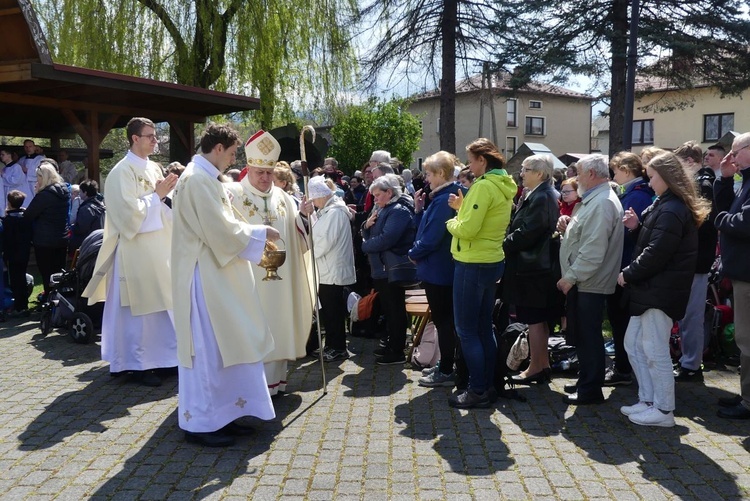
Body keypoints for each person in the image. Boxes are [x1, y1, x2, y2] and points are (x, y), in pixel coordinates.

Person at [172, 122, 278, 447]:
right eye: (232, 153)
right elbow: (219, 230)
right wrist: (261, 234)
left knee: (223, 347)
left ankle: (224, 415)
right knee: (207, 350)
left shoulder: (207, 179)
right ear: (218, 148)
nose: (233, 160)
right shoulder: (196, 180)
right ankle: (202, 423)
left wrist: (255, 232)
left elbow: (227, 222)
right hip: (202, 277)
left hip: (215, 273)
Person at [83, 117, 179, 387]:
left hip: (159, 249)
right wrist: (157, 196)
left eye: (155, 136)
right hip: (134, 252)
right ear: (134, 138)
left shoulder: (154, 168)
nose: (155, 140)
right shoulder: (120, 173)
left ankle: (164, 359)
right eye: (150, 136)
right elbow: (127, 216)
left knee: (162, 309)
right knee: (141, 313)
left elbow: (166, 204)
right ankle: (136, 365)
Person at [619, 151, 708, 427]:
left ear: (666, 178)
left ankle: (664, 409)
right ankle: (648, 400)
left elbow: (658, 252)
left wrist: (628, 275)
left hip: (660, 290)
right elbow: (654, 240)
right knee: (633, 344)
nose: (650, 181)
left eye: (653, 176)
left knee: (654, 350)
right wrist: (636, 228)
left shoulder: (672, 208)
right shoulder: (665, 204)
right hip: (652, 289)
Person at [228, 130, 314, 396]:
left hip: (280, 280)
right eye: (258, 172)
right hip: (247, 281)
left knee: (278, 328)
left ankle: (274, 386)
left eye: (268, 173)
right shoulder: (232, 194)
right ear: (248, 168)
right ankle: (250, 391)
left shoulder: (284, 198)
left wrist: (303, 216)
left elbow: (298, 236)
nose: (265, 179)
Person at [445, 138, 516, 409]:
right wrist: (463, 211)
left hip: (472, 262)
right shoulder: (503, 185)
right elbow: (482, 222)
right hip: (491, 260)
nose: (469, 166)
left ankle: (477, 390)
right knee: (484, 327)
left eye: (471, 160)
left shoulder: (483, 186)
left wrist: (452, 220)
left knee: (467, 330)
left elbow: (468, 229)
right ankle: (487, 385)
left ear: (482, 161)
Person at [557, 154, 623, 405]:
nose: (575, 178)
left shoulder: (602, 202)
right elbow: (585, 238)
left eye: (580, 173)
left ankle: (591, 389)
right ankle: (586, 379)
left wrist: (570, 278)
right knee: (583, 334)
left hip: (589, 281)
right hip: (586, 280)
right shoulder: (594, 200)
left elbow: (593, 251)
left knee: (589, 335)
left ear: (592, 175)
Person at [504, 155, 563, 385]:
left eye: (526, 169)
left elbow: (529, 232)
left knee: (535, 320)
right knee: (536, 320)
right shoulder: (540, 193)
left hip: (535, 271)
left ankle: (536, 367)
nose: (521, 173)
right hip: (535, 269)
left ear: (540, 173)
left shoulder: (543, 195)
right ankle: (541, 364)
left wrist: (504, 244)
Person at [409, 151, 466, 388]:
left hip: (440, 270)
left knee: (444, 321)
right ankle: (446, 365)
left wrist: (413, 253)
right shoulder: (441, 196)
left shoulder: (445, 199)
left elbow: (433, 237)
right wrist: (419, 210)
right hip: (439, 268)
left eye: (430, 174)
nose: (426, 178)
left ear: (442, 174)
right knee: (445, 320)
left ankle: (445, 369)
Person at [605, 152, 655, 387]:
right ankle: (626, 367)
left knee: (621, 320)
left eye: (615, 170)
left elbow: (625, 232)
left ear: (626, 170)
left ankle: (624, 369)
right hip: (627, 264)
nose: (614, 175)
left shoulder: (637, 195)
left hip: (627, 265)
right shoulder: (636, 193)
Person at [674, 141, 718, 382]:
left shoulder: (703, 184)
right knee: (688, 315)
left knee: (691, 315)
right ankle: (688, 360)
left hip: (697, 259)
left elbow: (702, 223)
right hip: (696, 258)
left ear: (690, 161)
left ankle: (691, 364)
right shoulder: (702, 182)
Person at [361, 173, 416, 365]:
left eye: (378, 195)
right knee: (389, 308)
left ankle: (397, 350)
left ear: (389, 192)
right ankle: (392, 343)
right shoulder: (383, 208)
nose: (375, 199)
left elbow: (387, 238)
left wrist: (365, 245)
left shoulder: (398, 210)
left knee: (395, 309)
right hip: (381, 268)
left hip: (391, 269)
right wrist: (365, 227)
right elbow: (367, 228)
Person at [713, 132, 750, 419]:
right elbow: (725, 209)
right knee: (743, 339)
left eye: (735, 152)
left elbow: (743, 221)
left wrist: (722, 220)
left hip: (747, 275)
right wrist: (724, 179)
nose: (731, 158)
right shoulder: (744, 180)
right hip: (741, 273)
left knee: (747, 339)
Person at [307, 176, 356, 361]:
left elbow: (325, 241)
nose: (314, 203)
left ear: (322, 196)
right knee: (329, 311)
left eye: (315, 198)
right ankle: (332, 345)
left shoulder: (335, 212)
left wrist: (310, 253)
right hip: (327, 269)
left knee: (333, 312)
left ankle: (338, 347)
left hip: (332, 270)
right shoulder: (328, 211)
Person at [24, 161, 70, 299]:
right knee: (59, 272)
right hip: (61, 238)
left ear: (43, 177)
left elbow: (29, 215)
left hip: (44, 241)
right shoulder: (64, 192)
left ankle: (49, 302)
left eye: (38, 177)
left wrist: (37, 191)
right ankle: (60, 302)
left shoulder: (44, 195)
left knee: (46, 273)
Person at [2, 190, 32, 316]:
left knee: (15, 280)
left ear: (9, 203)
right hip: (24, 252)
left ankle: (18, 306)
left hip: (12, 254)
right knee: (22, 277)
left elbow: (5, 238)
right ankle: (23, 304)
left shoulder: (8, 220)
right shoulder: (25, 218)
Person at [69, 180, 106, 252]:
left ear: (85, 193)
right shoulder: (100, 206)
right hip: (98, 242)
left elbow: (81, 229)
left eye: (80, 192)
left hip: (87, 244)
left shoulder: (86, 209)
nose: (79, 194)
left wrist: (73, 228)